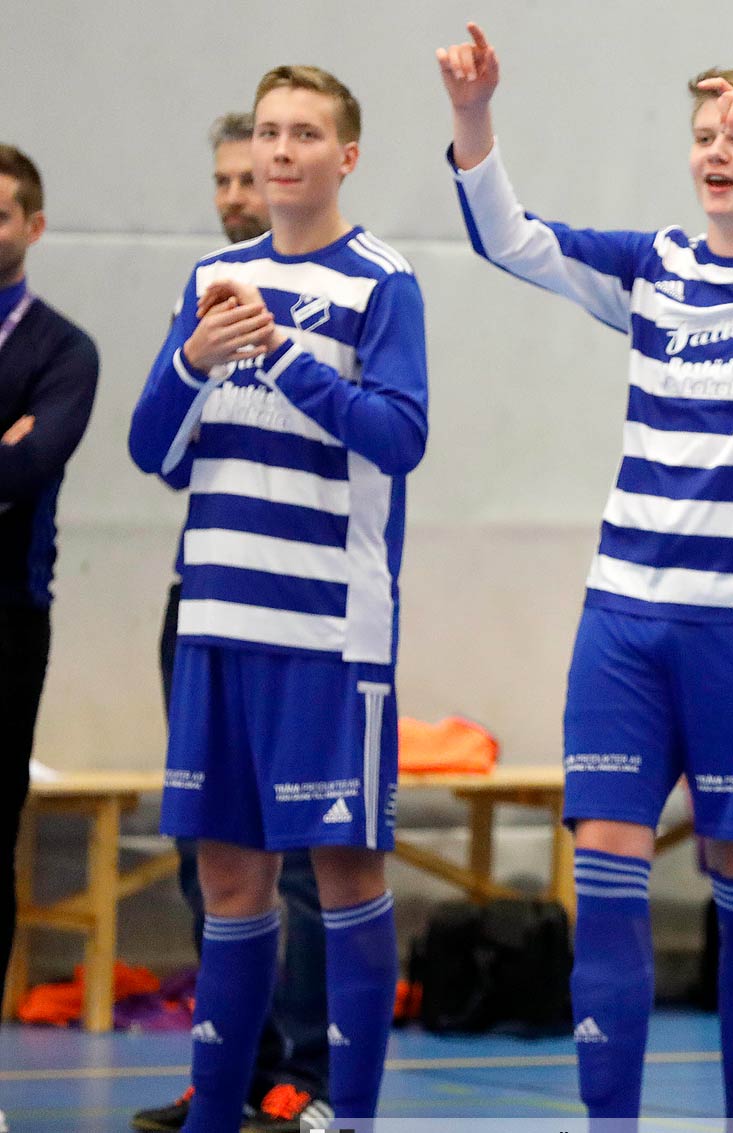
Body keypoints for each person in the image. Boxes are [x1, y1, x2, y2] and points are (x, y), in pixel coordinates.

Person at [435, 22, 733, 1121]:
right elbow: (510, 239)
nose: (719, 153)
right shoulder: (653, 266)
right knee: (608, 876)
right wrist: (474, 116)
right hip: (627, 619)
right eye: (705, 136)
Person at [126, 65, 427, 1132]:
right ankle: (215, 1111)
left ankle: (346, 1112)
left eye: (305, 132)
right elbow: (151, 452)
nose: (282, 150)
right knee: (227, 878)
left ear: (346, 155)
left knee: (342, 873)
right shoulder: (212, 274)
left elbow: (400, 436)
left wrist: (287, 354)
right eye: (268, 132)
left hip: (329, 633)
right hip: (214, 623)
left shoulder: (384, 282)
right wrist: (193, 359)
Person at [132, 111, 331, 1133]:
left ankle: (302, 1070)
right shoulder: (203, 297)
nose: (238, 192)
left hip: (302, 615)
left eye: (251, 174)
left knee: (297, 860)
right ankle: (228, 1063)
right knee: (206, 851)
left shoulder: (341, 293)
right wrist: (194, 362)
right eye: (225, 178)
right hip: (201, 601)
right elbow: (156, 452)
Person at [0, 143, 100, 1133]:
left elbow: (28, 473)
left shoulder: (62, 349)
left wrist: (14, 454)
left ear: (31, 225)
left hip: (8, 616)